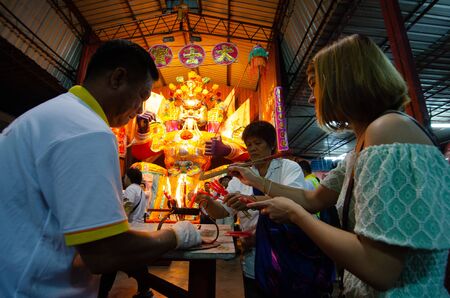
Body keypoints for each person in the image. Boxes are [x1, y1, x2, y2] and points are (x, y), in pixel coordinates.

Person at [229, 34, 450, 297]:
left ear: (343, 81)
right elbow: (312, 199)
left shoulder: (387, 129)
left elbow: (380, 268)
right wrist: (254, 181)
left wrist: (295, 215)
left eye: (314, 85)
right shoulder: (362, 144)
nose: (312, 98)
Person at [0, 39, 201, 297]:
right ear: (117, 78)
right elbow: (105, 252)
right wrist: (177, 235)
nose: (139, 109)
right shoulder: (88, 130)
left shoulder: (46, 116)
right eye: (142, 96)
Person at [196, 121, 307, 298]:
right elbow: (223, 212)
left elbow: (294, 200)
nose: (253, 148)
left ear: (271, 145)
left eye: (258, 143)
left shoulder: (288, 168)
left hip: (287, 255)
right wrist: (207, 202)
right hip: (253, 259)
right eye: (249, 145)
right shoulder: (240, 175)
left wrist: (249, 201)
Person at [99, 167, 154, 298]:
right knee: (137, 263)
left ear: (129, 177)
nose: (123, 179)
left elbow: (125, 209)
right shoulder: (139, 190)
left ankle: (102, 293)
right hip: (138, 228)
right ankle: (144, 290)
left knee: (112, 264)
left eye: (125, 177)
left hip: (129, 229)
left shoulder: (130, 190)